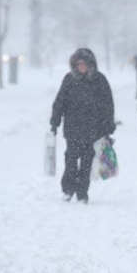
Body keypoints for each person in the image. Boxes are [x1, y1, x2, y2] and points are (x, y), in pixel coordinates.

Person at [50, 48, 116, 204]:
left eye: (84, 64)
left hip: (93, 129)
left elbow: (108, 106)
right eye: (78, 64)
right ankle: (68, 189)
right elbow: (60, 103)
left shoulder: (99, 80)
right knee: (71, 160)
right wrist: (55, 122)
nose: (81, 67)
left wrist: (108, 128)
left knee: (87, 162)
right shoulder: (69, 80)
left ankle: (82, 193)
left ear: (90, 64)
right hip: (72, 128)